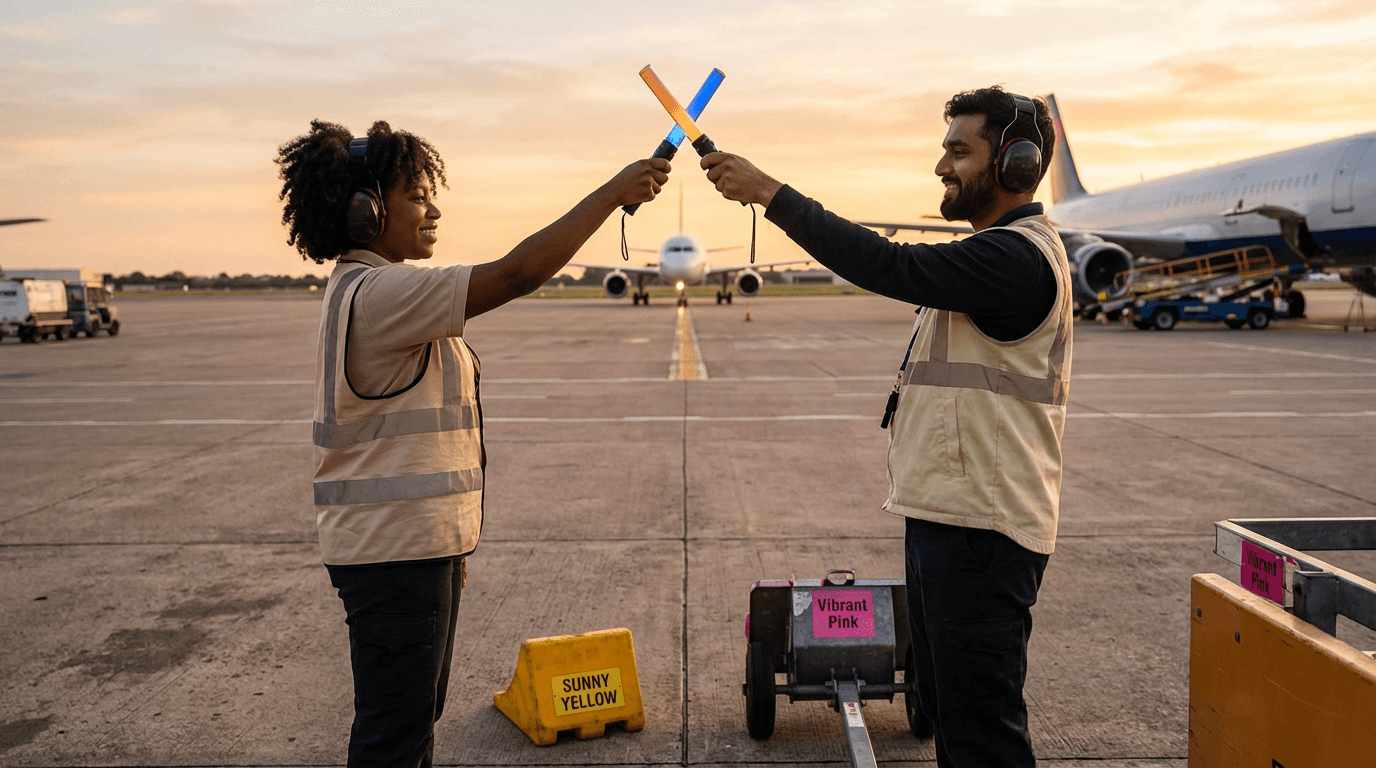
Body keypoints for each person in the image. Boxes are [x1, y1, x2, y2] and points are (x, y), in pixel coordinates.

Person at [275, 119, 668, 767]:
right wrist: (610, 195)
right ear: (365, 210)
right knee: (394, 733)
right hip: (392, 555)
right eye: (416, 196)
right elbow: (516, 274)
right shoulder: (381, 291)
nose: (433, 210)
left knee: (409, 720)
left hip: (411, 548)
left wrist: (451, 546)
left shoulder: (376, 290)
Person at [703, 87, 1070, 768]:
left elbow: (888, 264)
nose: (941, 166)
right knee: (950, 711)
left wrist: (770, 193)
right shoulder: (986, 256)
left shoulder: (1014, 259)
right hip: (951, 519)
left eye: (959, 151)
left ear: (1015, 166)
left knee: (982, 732)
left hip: (984, 534)